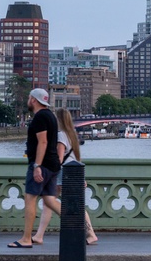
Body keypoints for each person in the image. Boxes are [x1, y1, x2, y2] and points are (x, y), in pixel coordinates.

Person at [32, 108, 98, 245]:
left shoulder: (61, 135)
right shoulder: (72, 135)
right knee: (51, 202)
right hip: (73, 172)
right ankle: (39, 235)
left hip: (63, 174)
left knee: (52, 203)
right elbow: (75, 158)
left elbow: (60, 159)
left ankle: (90, 233)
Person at [8, 88, 62, 249]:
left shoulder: (39, 117)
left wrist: (37, 165)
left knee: (30, 199)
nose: (28, 101)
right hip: (53, 165)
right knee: (50, 200)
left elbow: (43, 142)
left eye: (29, 98)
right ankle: (78, 224)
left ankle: (26, 239)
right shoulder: (51, 116)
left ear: (34, 100)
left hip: (42, 165)